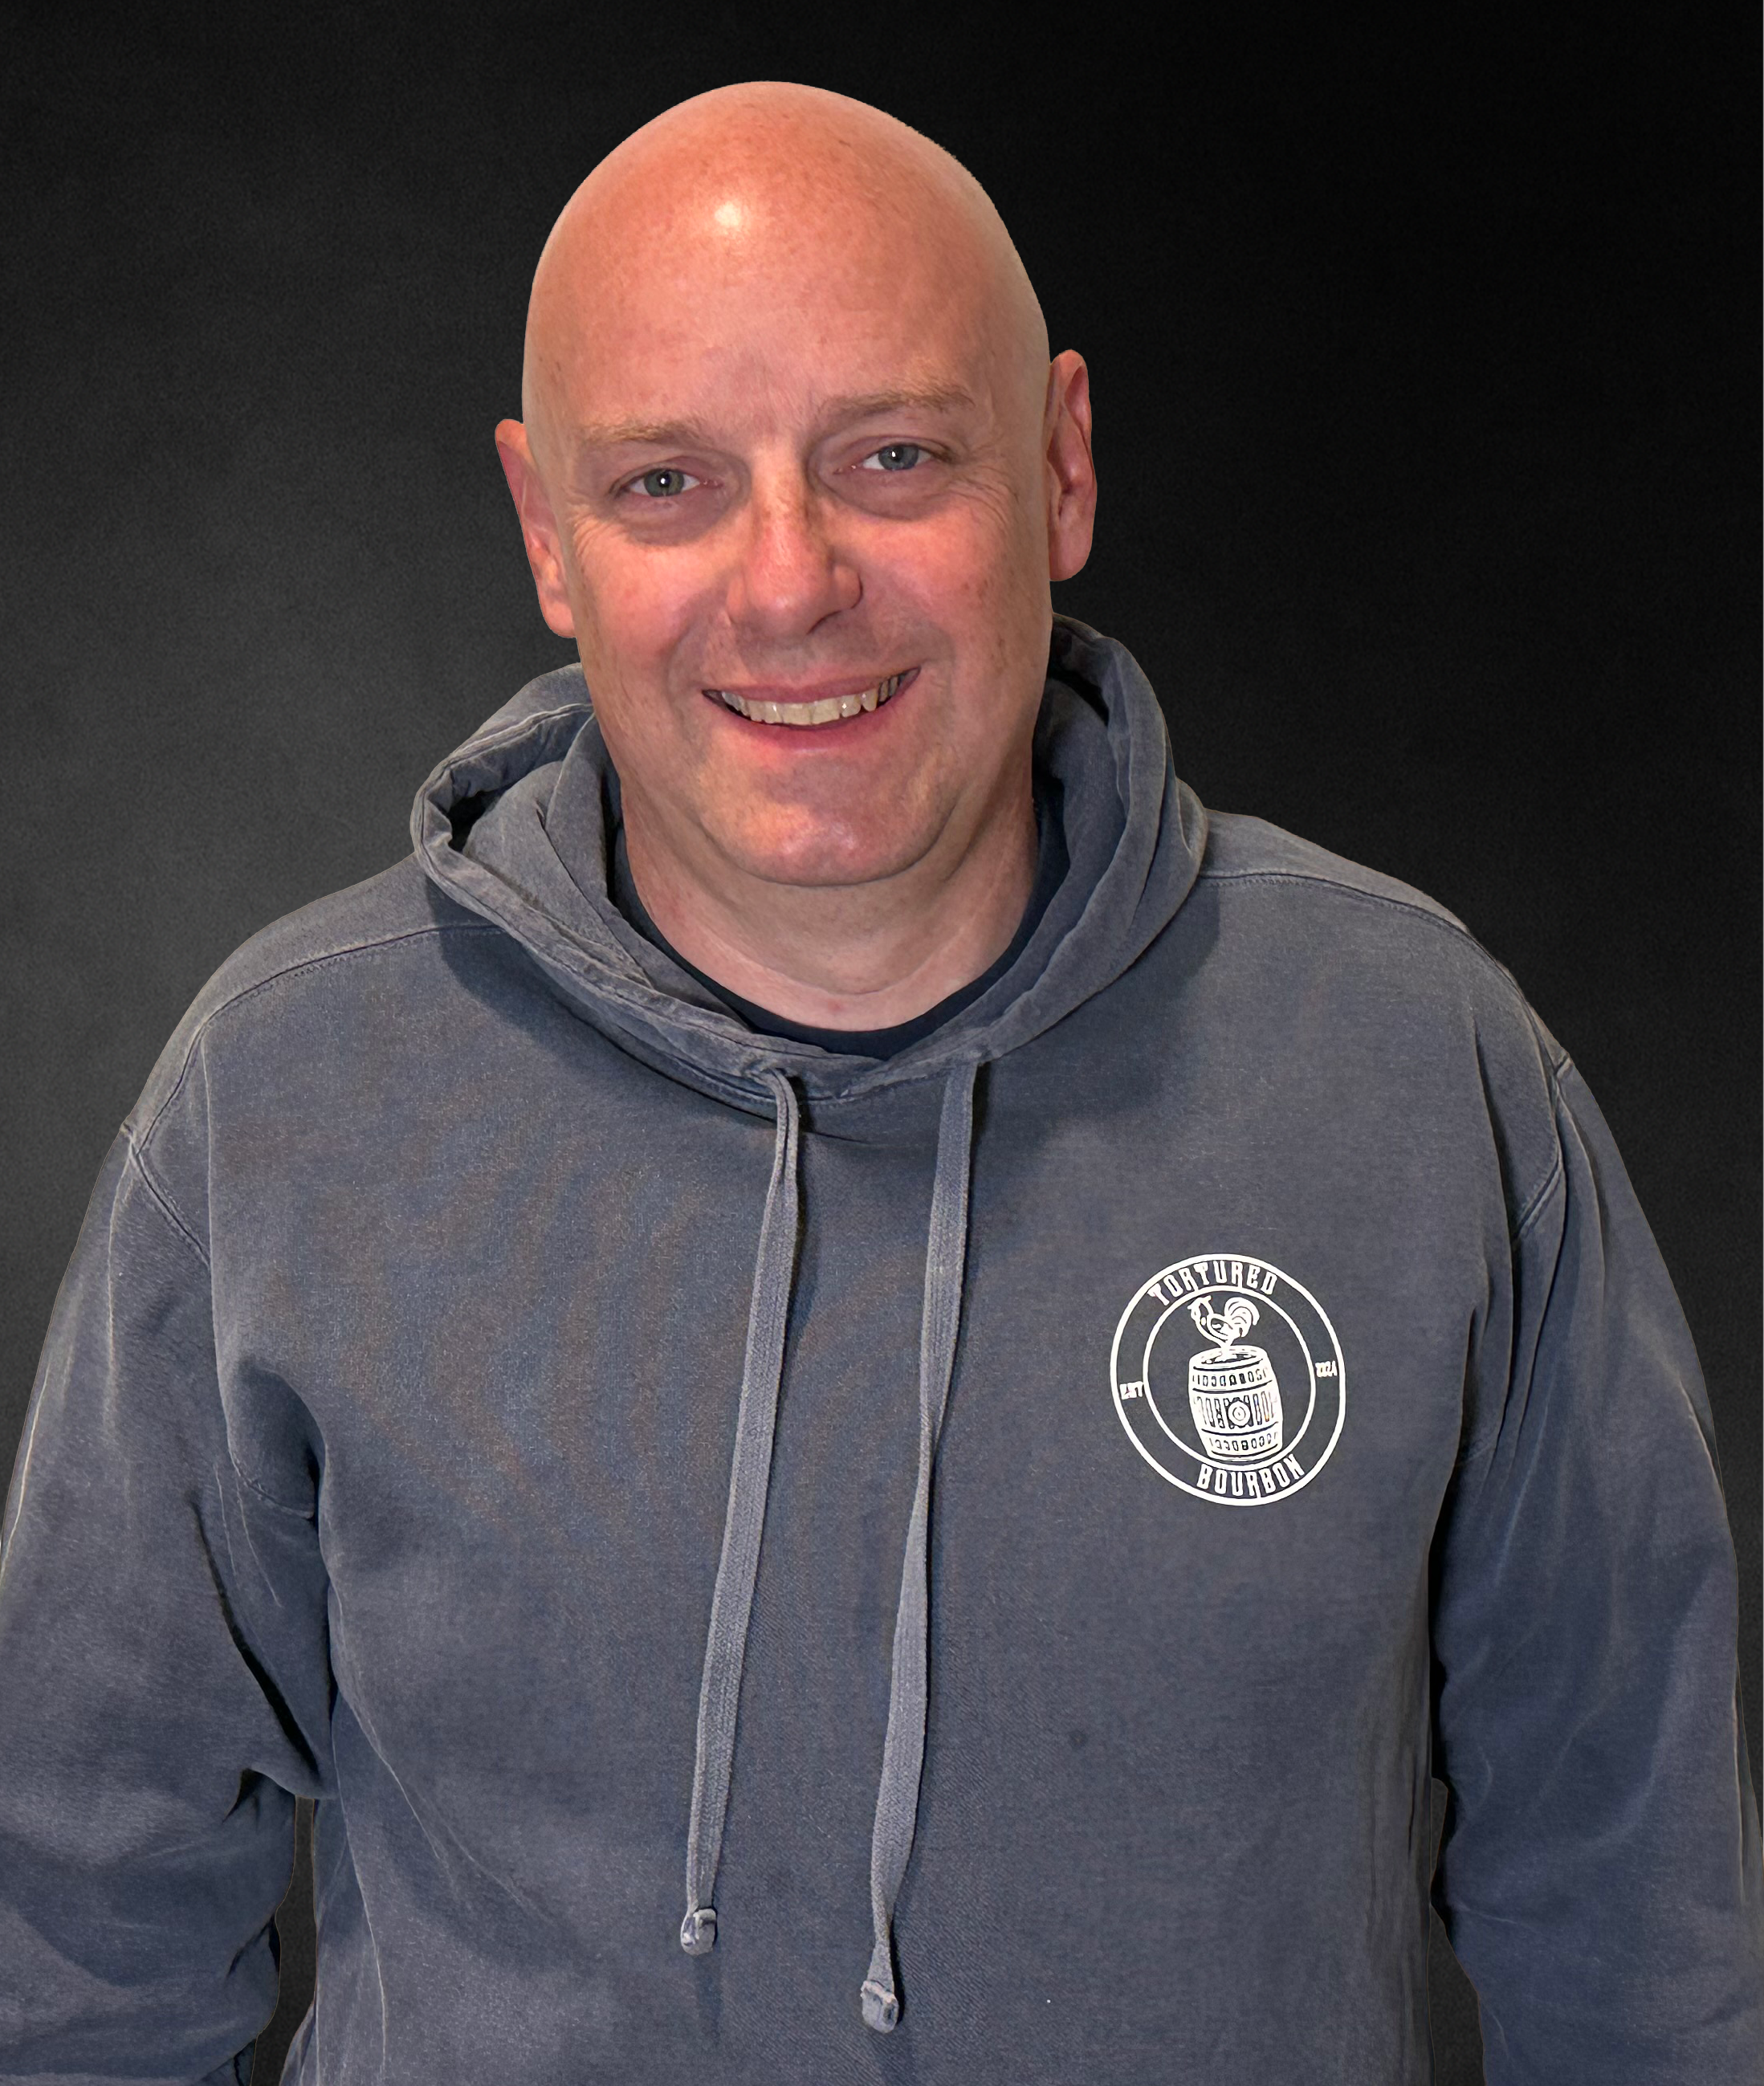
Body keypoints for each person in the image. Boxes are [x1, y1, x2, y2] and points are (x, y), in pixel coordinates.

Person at [0, 79, 1758, 2085]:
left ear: (1063, 463)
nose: (788, 582)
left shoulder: (1420, 1074)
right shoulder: (282, 1100)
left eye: (895, 455)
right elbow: (81, 1935)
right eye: (668, 482)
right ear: (544, 530)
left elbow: (1634, 1931)